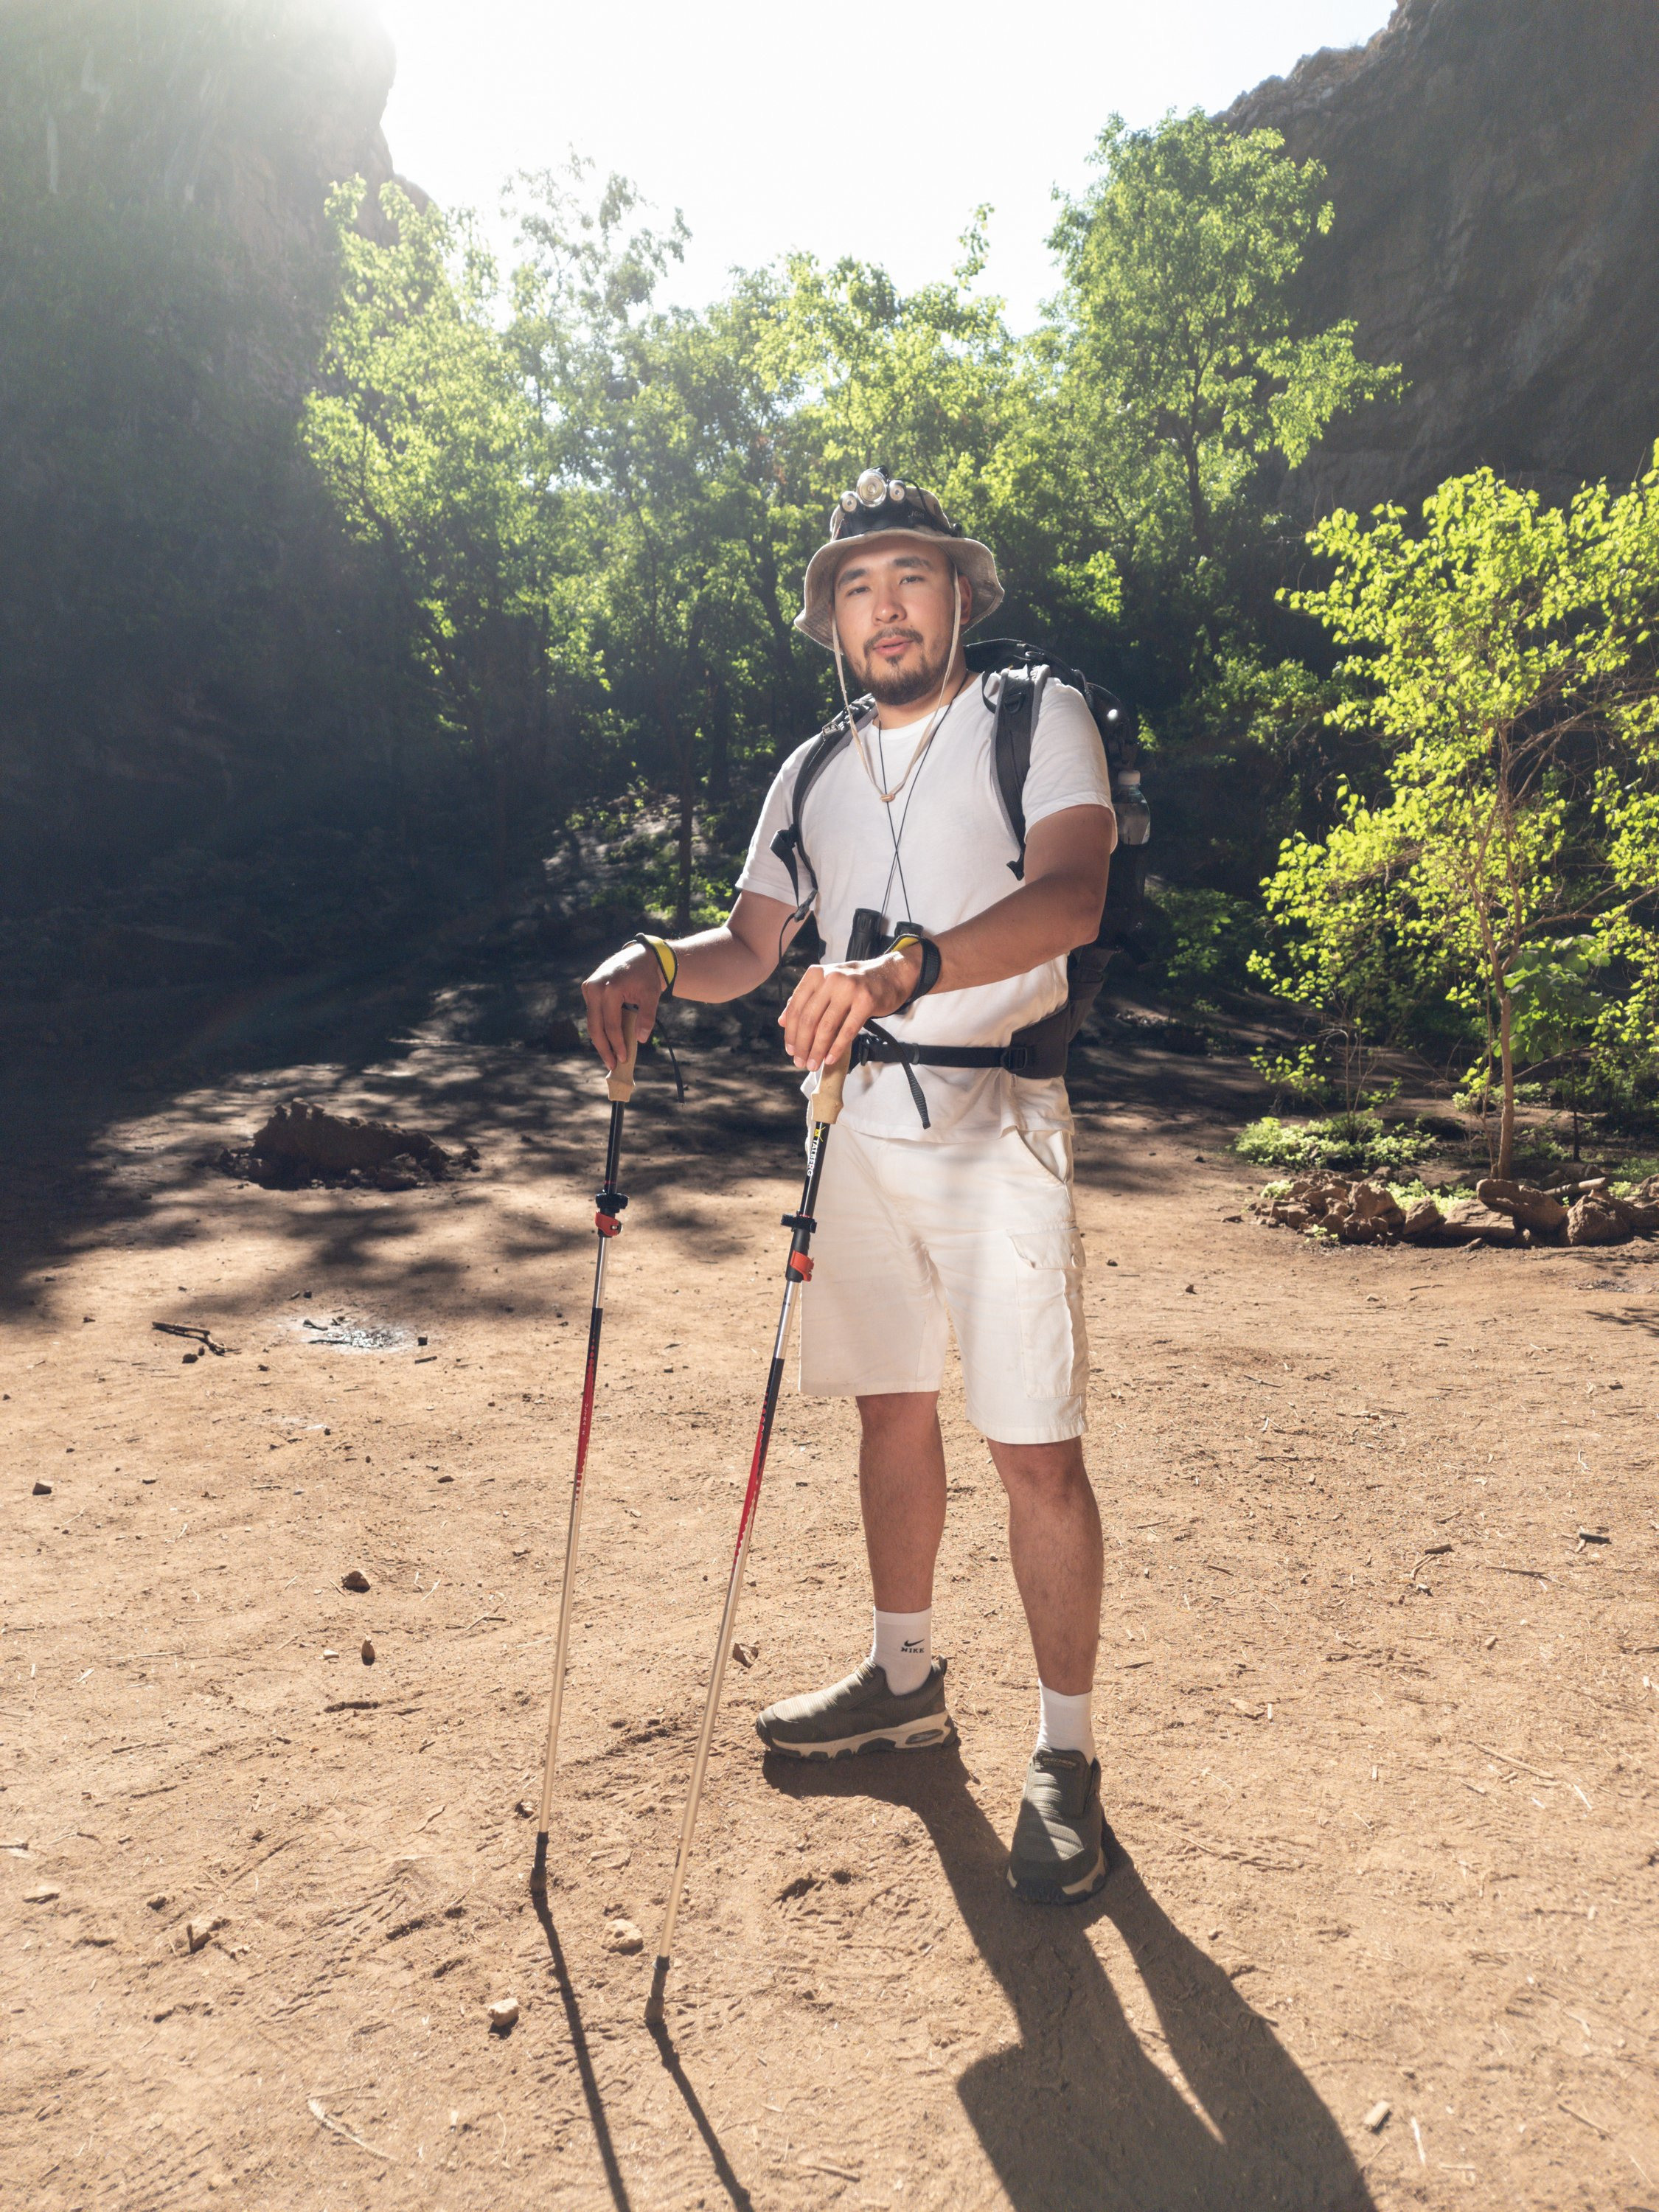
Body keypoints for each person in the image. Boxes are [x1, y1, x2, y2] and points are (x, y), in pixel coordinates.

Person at [582, 468, 1117, 1903]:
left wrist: (906, 966)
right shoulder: (811, 772)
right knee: (890, 1409)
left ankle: (1067, 1760)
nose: (887, 611)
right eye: (861, 588)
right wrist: (655, 961)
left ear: (958, 596)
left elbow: (1075, 897)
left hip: (1002, 1117)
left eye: (913, 580)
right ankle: (903, 1675)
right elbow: (753, 946)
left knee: (1033, 1447)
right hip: (855, 1124)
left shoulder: (1033, 715)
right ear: (834, 617)